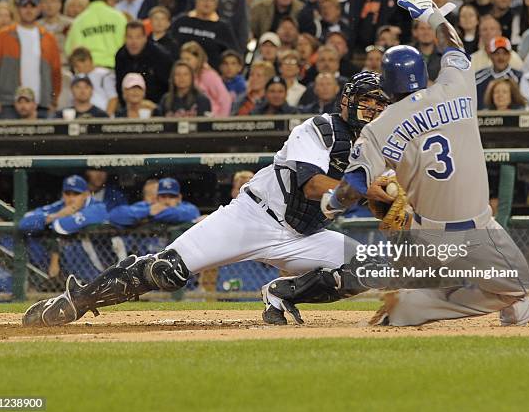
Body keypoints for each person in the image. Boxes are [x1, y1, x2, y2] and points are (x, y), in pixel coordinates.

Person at [21, 71, 393, 327]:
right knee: (165, 271)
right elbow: (311, 184)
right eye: (367, 104)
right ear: (348, 101)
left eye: (380, 108)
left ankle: (282, 293)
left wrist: (389, 202)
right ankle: (76, 302)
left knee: (373, 269)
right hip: (253, 218)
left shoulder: (377, 149)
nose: (373, 113)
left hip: (306, 234)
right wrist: (362, 190)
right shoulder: (320, 128)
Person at [311, 0, 529, 329]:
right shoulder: (457, 86)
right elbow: (455, 48)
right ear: (422, 73)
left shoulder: (378, 127)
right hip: (476, 230)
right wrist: (434, 17)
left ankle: (419, 294)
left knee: (456, 275)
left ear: (386, 86)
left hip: (423, 234)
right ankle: (418, 307)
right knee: (521, 289)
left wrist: (331, 203)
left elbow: (354, 184)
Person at [18, 174, 111, 282]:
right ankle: (42, 283)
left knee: (71, 242)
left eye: (76, 194)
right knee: (29, 238)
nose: (71, 198)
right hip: (70, 262)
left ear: (86, 194)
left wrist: (54, 220)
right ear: (63, 194)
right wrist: (56, 216)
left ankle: (91, 283)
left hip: (104, 262)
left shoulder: (98, 207)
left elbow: (61, 226)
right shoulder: (59, 207)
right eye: (67, 193)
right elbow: (23, 223)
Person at [0, 0, 61, 119]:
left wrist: (53, 98)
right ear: (17, 9)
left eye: (33, 6)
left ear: (39, 9)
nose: (29, 10)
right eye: (24, 6)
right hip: (8, 103)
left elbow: (56, 72)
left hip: (41, 103)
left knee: (43, 139)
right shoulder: (2, 36)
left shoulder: (48, 38)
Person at [170, 0, 239, 70]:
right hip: (178, 71)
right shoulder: (181, 21)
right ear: (196, 0)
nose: (206, 2)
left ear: (216, 3)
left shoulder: (222, 27)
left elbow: (232, 54)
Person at [64, 0, 127, 69]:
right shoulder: (119, 17)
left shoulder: (79, 21)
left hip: (89, 69)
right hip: (116, 67)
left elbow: (70, 50)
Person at [115, 20, 173, 105]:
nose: (133, 42)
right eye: (130, 37)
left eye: (138, 37)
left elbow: (168, 86)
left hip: (156, 107)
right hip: (129, 108)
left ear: (145, 38)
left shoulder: (160, 56)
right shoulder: (120, 56)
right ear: (125, 38)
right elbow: (119, 86)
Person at [109, 177, 200, 227]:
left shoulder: (187, 208)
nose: (167, 201)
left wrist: (149, 216)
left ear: (179, 198)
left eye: (172, 196)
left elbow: (193, 214)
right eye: (163, 196)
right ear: (156, 198)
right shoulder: (147, 207)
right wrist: (147, 211)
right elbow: (114, 215)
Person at [180, 41, 232, 117]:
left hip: (212, 119)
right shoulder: (187, 77)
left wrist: (220, 122)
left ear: (198, 59)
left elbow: (225, 99)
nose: (185, 63)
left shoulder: (208, 75)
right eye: (182, 59)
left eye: (188, 59)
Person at [68, 47, 118, 116]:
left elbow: (113, 99)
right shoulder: (76, 77)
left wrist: (106, 118)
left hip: (101, 116)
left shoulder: (104, 75)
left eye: (77, 66)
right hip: (81, 116)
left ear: (87, 61)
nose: (76, 69)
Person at [475, 36, 523, 109]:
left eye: (505, 53)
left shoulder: (520, 77)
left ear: (510, 55)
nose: (501, 57)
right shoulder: (478, 78)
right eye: (497, 53)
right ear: (490, 55)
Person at [38, 0, 72, 64]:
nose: (49, 5)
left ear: (60, 4)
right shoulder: (35, 27)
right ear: (40, 6)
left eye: (53, 1)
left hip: (65, 65)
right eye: (45, 2)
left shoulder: (71, 24)